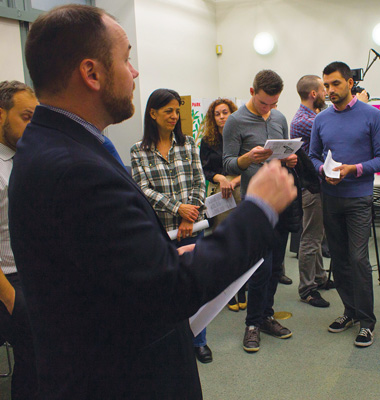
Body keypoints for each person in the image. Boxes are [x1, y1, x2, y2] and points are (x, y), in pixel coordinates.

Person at [9, 5, 296, 398]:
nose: (135, 71)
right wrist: (259, 209)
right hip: (122, 378)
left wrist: (158, 256)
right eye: (126, 58)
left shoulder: (59, 144)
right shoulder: (73, 166)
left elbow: (102, 271)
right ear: (91, 73)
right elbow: (169, 293)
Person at [310, 61, 380, 347]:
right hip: (330, 197)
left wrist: (352, 169)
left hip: (358, 197)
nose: (330, 90)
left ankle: (367, 321)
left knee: (358, 259)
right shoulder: (321, 119)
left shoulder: (372, 116)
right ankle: (350, 311)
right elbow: (312, 157)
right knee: (341, 259)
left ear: (349, 83)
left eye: (335, 84)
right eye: (326, 85)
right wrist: (323, 170)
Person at [130, 88, 212, 363]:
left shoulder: (188, 143)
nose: (175, 116)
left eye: (177, 111)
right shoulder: (139, 151)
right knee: (166, 288)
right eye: (168, 111)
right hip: (162, 231)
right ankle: (172, 341)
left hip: (193, 228)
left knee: (194, 284)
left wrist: (190, 215)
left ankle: (198, 340)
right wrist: (178, 209)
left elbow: (200, 181)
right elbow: (143, 189)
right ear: (152, 113)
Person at [223, 69, 297, 353]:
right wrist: (246, 158)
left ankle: (266, 315)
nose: (269, 109)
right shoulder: (235, 121)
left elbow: (285, 151)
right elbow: (228, 163)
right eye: (264, 103)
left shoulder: (278, 118)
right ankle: (251, 323)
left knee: (276, 265)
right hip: (254, 205)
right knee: (260, 267)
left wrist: (290, 159)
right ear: (252, 92)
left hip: (280, 200)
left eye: (274, 104)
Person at [0, 80, 39, 399]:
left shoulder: (28, 158)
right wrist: (13, 300)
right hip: (9, 282)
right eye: (26, 117)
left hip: (35, 273)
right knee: (34, 365)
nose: (34, 126)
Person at [199, 98, 246, 312]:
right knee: (224, 240)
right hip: (220, 191)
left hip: (241, 186)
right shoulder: (208, 140)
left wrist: (234, 180)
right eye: (217, 114)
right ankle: (227, 290)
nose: (221, 117)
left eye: (225, 112)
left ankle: (242, 288)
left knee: (242, 239)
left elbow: (249, 162)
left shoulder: (241, 134)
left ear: (232, 113)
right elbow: (205, 169)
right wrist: (221, 178)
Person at [290, 75, 330, 308]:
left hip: (315, 185)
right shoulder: (308, 120)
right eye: (324, 89)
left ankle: (319, 278)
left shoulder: (310, 117)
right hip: (311, 186)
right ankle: (307, 288)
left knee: (316, 235)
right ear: (313, 94)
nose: (327, 93)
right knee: (311, 237)